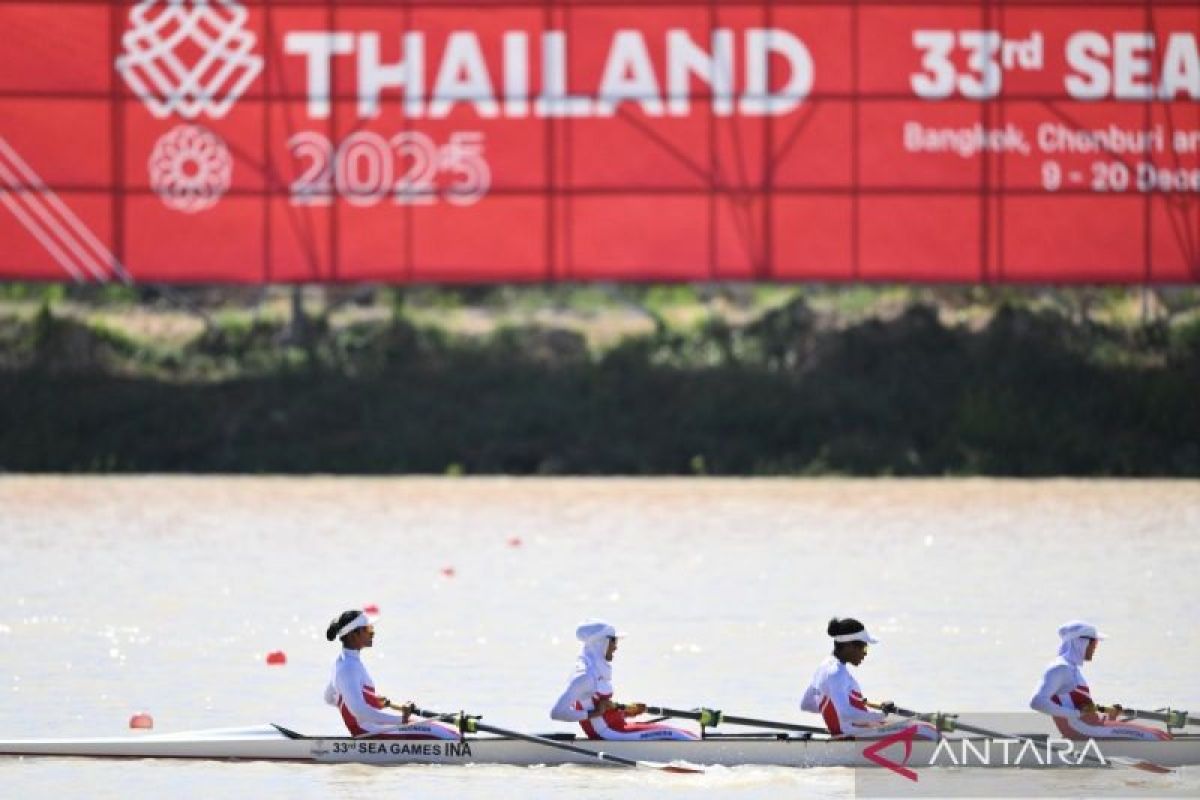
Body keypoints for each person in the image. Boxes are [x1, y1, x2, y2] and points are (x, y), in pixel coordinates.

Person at [549, 619, 698, 741]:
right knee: (675, 735)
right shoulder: (584, 676)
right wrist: (592, 714)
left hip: (617, 727)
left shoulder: (595, 670)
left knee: (687, 733)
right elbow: (557, 712)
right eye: (613, 641)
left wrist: (626, 712)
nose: (616, 647)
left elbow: (602, 710)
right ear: (601, 642)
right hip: (608, 733)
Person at [323, 609, 458, 739]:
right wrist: (401, 720)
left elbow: (330, 698)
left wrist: (371, 700)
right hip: (368, 731)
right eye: (368, 629)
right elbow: (359, 711)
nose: (373, 633)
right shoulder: (349, 667)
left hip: (369, 728)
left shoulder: (341, 662)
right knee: (445, 734)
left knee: (437, 727)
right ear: (353, 634)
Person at [800, 617, 939, 740]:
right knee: (928, 731)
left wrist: (847, 707)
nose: (865, 654)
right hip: (854, 733)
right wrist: (882, 715)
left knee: (923, 725)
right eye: (864, 648)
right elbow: (845, 714)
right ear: (849, 646)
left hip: (853, 729)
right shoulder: (836, 673)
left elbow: (806, 704)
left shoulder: (823, 667)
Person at [1028, 620, 1170, 741]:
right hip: (1083, 729)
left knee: (1156, 733)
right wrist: (1075, 714)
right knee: (1156, 735)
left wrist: (1109, 715)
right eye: (1094, 642)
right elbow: (1037, 702)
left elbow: (1080, 708)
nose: (1095, 647)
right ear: (1080, 642)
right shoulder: (1060, 668)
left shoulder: (1072, 669)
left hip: (1089, 727)